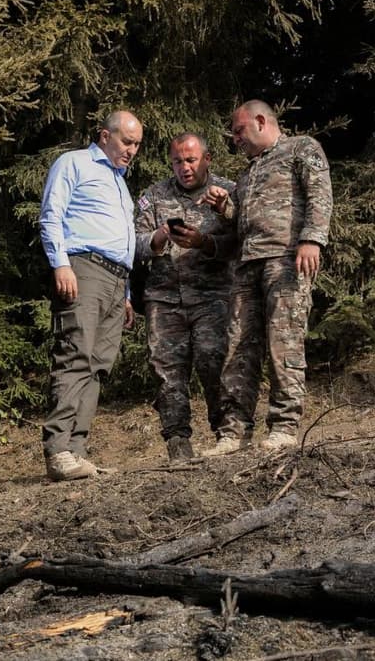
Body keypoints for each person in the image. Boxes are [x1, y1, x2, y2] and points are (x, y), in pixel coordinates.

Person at [199, 100, 333, 455]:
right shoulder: (248, 172)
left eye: (239, 130)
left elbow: (320, 193)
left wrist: (311, 239)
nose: (235, 138)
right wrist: (224, 206)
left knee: (282, 342)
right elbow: (242, 217)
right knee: (238, 345)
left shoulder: (300, 148)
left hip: (286, 259)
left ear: (261, 121)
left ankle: (284, 425)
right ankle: (235, 431)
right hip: (247, 264)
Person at [38, 110, 142, 481]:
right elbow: (52, 215)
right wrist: (60, 264)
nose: (132, 150)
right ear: (104, 136)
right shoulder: (74, 163)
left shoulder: (119, 182)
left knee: (98, 366)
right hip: (84, 269)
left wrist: (127, 293)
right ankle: (58, 449)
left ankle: (77, 452)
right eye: (127, 142)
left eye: (137, 145)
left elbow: (122, 240)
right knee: (74, 355)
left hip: (117, 280)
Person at [134, 133, 238, 461]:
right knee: (166, 371)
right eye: (178, 161)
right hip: (164, 298)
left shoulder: (228, 192)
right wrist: (159, 236)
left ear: (207, 159)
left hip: (212, 295)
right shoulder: (153, 196)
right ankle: (178, 443)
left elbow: (241, 242)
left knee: (214, 361)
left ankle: (227, 435)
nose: (184, 168)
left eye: (191, 160)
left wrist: (205, 242)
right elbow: (133, 244)